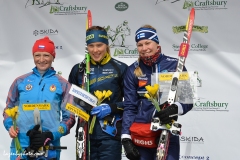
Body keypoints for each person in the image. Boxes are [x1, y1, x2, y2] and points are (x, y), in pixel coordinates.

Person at [121, 25, 193, 160]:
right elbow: (130, 106)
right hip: (142, 133)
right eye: (140, 44)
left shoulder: (175, 65)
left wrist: (174, 109)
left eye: (148, 43)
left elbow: (187, 100)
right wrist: (125, 137)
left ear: (156, 43)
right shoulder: (132, 70)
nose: (144, 48)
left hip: (167, 132)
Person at [3, 36, 76, 160]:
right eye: (37, 55)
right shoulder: (20, 81)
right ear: (33, 56)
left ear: (53, 57)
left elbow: (69, 118)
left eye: (46, 55)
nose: (41, 60)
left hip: (49, 146)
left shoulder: (63, 84)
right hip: (21, 145)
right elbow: (8, 109)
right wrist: (10, 126)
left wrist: (52, 134)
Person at [68, 26, 128, 160]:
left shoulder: (120, 68)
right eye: (91, 46)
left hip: (110, 135)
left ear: (106, 45)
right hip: (84, 134)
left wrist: (111, 108)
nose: (95, 50)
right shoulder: (78, 70)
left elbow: (131, 103)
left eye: (99, 45)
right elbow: (69, 100)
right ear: (87, 47)